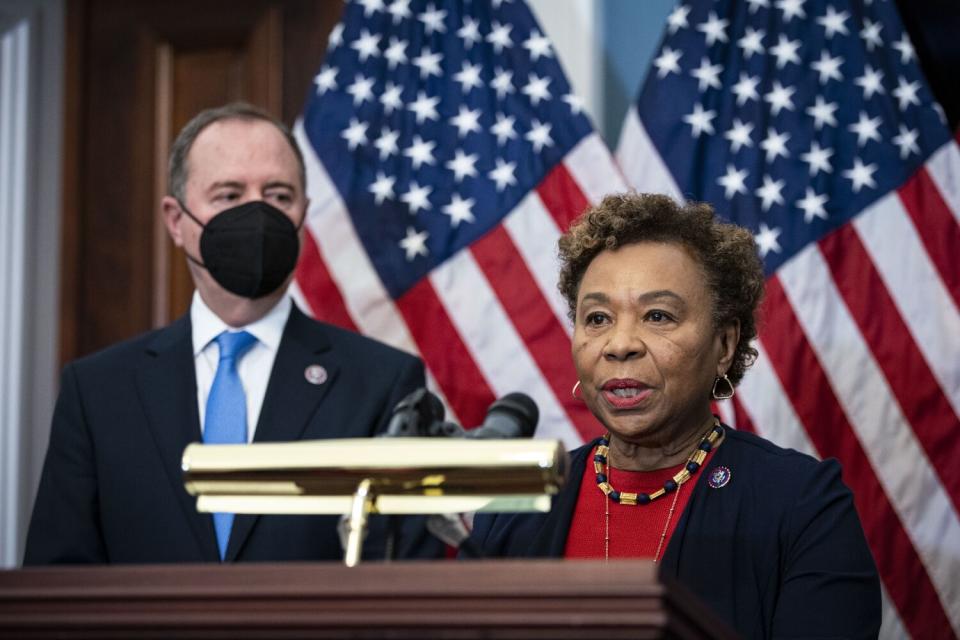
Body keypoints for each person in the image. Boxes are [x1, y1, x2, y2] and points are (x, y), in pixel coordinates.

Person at [25, 102, 436, 564]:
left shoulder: (382, 384)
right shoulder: (98, 392)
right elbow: (58, 581)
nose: (258, 214)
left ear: (303, 214)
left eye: (279, 195)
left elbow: (400, 580)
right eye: (229, 195)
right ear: (177, 221)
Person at [470, 193, 881, 638]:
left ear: (723, 346)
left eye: (658, 315)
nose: (619, 343)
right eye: (597, 318)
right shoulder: (512, 504)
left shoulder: (803, 504)